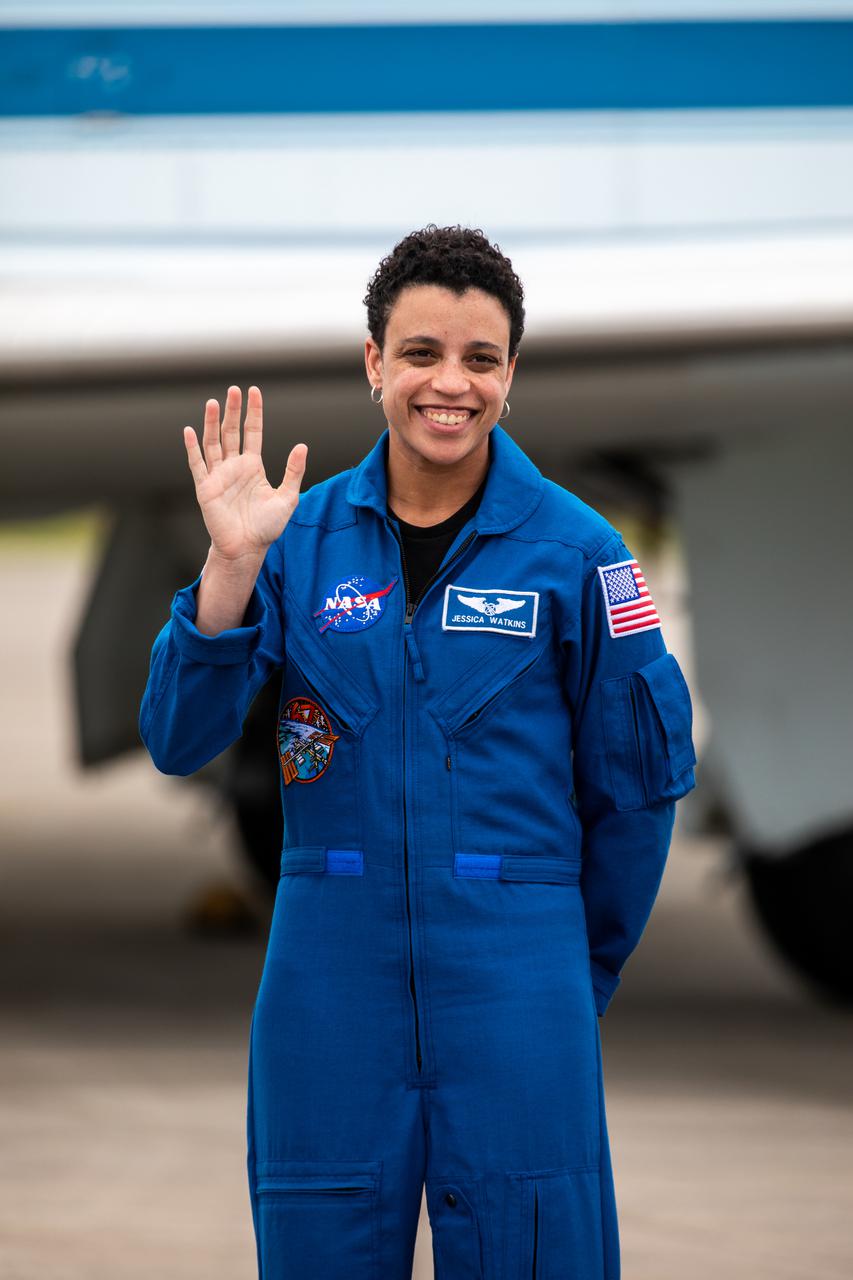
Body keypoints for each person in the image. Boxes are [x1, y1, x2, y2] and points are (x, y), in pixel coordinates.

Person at [139, 224, 696, 1279]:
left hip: (517, 980)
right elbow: (178, 737)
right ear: (373, 364)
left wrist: (570, 975)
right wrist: (227, 565)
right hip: (326, 985)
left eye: (480, 359)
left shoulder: (578, 552)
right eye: (421, 354)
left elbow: (636, 799)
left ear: (511, 375)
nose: (451, 384)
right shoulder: (291, 541)